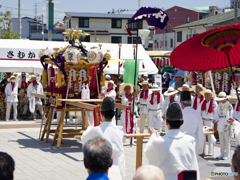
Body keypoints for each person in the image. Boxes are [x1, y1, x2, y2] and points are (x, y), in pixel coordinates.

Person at [144, 101, 199, 180]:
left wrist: (153, 136)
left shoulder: (159, 142)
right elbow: (194, 167)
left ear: (166, 122)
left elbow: (149, 152)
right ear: (182, 122)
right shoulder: (190, 141)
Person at [81, 97, 125, 180]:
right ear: (114, 113)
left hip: (98, 171)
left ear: (101, 113)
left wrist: (89, 128)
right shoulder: (119, 132)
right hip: (116, 172)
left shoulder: (95, 130)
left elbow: (83, 139)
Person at [214, 92, 233, 160]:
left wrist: (227, 126)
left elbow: (229, 116)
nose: (221, 100)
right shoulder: (219, 104)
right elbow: (216, 113)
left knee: (227, 140)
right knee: (221, 140)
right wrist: (215, 120)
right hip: (220, 124)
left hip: (226, 124)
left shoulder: (229, 105)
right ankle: (222, 153)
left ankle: (226, 154)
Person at [199, 89, 217, 156]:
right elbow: (199, 112)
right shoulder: (202, 102)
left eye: (207, 94)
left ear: (210, 95)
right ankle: (203, 151)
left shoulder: (213, 103)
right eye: (205, 94)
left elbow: (215, 113)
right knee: (203, 137)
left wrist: (215, 122)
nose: (206, 96)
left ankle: (210, 151)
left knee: (210, 138)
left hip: (210, 121)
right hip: (203, 121)